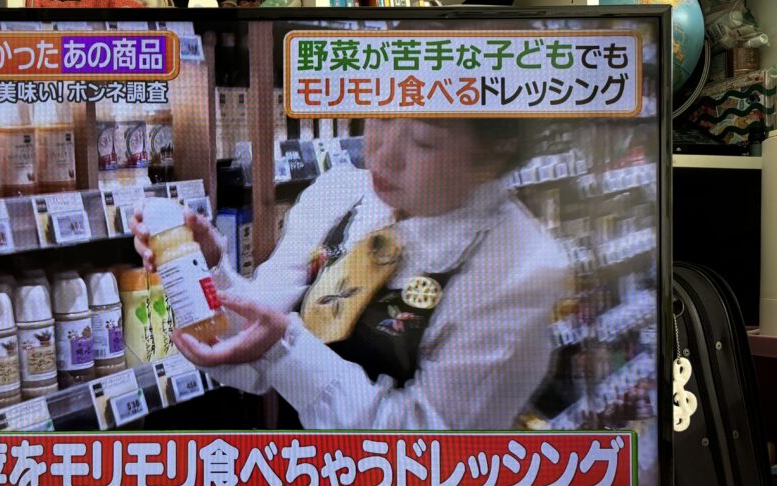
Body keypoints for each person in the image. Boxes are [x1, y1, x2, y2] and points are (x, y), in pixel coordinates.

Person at [132, 117, 571, 431]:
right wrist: (203, 270)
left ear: (494, 153)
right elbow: (253, 346)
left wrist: (284, 347)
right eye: (382, 116)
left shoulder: (520, 269)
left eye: (424, 141)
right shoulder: (340, 194)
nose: (382, 153)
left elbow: (426, 455)